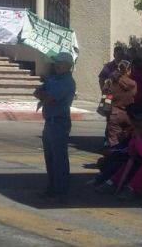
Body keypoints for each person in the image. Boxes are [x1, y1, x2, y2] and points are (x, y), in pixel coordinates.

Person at [35, 52, 77, 204]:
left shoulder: (67, 82)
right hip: (49, 122)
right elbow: (37, 92)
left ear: (68, 65)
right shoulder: (53, 79)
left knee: (59, 159)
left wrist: (43, 95)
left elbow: (49, 98)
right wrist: (43, 95)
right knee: (50, 159)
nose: (56, 65)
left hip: (59, 122)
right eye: (56, 62)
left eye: (60, 62)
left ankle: (61, 192)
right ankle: (52, 189)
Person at [98, 115, 142, 200]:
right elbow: (131, 151)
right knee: (126, 164)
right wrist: (134, 138)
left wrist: (138, 137)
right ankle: (112, 183)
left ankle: (132, 190)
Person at [104, 60, 137, 147]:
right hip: (128, 115)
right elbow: (134, 96)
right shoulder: (133, 84)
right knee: (128, 140)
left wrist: (106, 113)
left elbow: (106, 97)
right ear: (128, 70)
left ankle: (114, 158)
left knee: (113, 142)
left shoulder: (110, 82)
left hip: (114, 114)